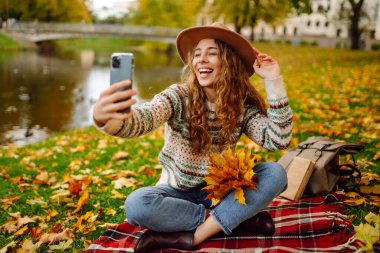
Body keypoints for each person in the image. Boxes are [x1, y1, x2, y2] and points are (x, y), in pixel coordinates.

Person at [93, 22, 292, 252]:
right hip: (175, 193)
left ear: (229, 62)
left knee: (276, 173)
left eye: (212, 53)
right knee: (137, 205)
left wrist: (273, 80)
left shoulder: (241, 107)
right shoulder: (178, 96)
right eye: (197, 54)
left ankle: (194, 237)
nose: (201, 60)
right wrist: (105, 118)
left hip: (220, 192)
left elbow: (278, 139)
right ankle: (237, 220)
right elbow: (142, 120)